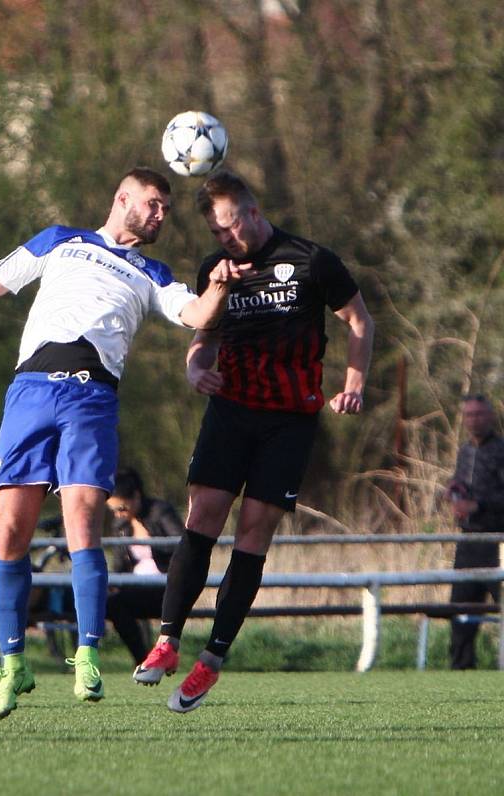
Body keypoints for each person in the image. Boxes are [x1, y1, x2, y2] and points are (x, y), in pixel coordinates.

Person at [0, 167, 242, 719]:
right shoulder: (60, 240)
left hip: (90, 400)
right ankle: (14, 665)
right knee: (11, 533)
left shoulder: (153, 271)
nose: (162, 214)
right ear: (122, 199)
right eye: (153, 203)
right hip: (30, 393)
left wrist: (218, 289)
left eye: (166, 207)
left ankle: (88, 654)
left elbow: (196, 315)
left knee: (83, 524)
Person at [135, 170, 375, 713]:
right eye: (215, 234)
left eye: (227, 229)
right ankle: (168, 642)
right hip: (231, 413)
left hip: (288, 420)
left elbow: (359, 319)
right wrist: (195, 369)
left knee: (253, 534)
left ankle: (211, 661)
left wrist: (353, 383)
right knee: (202, 518)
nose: (223, 241)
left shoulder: (313, 260)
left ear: (251, 212)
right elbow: (203, 338)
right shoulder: (214, 270)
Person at [443, 394, 504, 669]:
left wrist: (479, 505)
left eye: (479, 414)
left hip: (497, 541)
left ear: (490, 416)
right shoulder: (465, 451)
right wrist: (454, 494)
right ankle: (461, 670)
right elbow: (461, 484)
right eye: (469, 415)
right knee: (461, 609)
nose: (473, 420)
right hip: (467, 542)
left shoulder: (500, 450)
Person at [106, 467, 181, 665]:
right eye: (113, 510)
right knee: (112, 602)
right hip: (137, 587)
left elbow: (181, 546)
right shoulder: (120, 527)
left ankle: (161, 655)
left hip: (166, 587)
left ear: (136, 497)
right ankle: (143, 660)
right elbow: (119, 564)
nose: (118, 515)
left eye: (121, 508)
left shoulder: (160, 512)